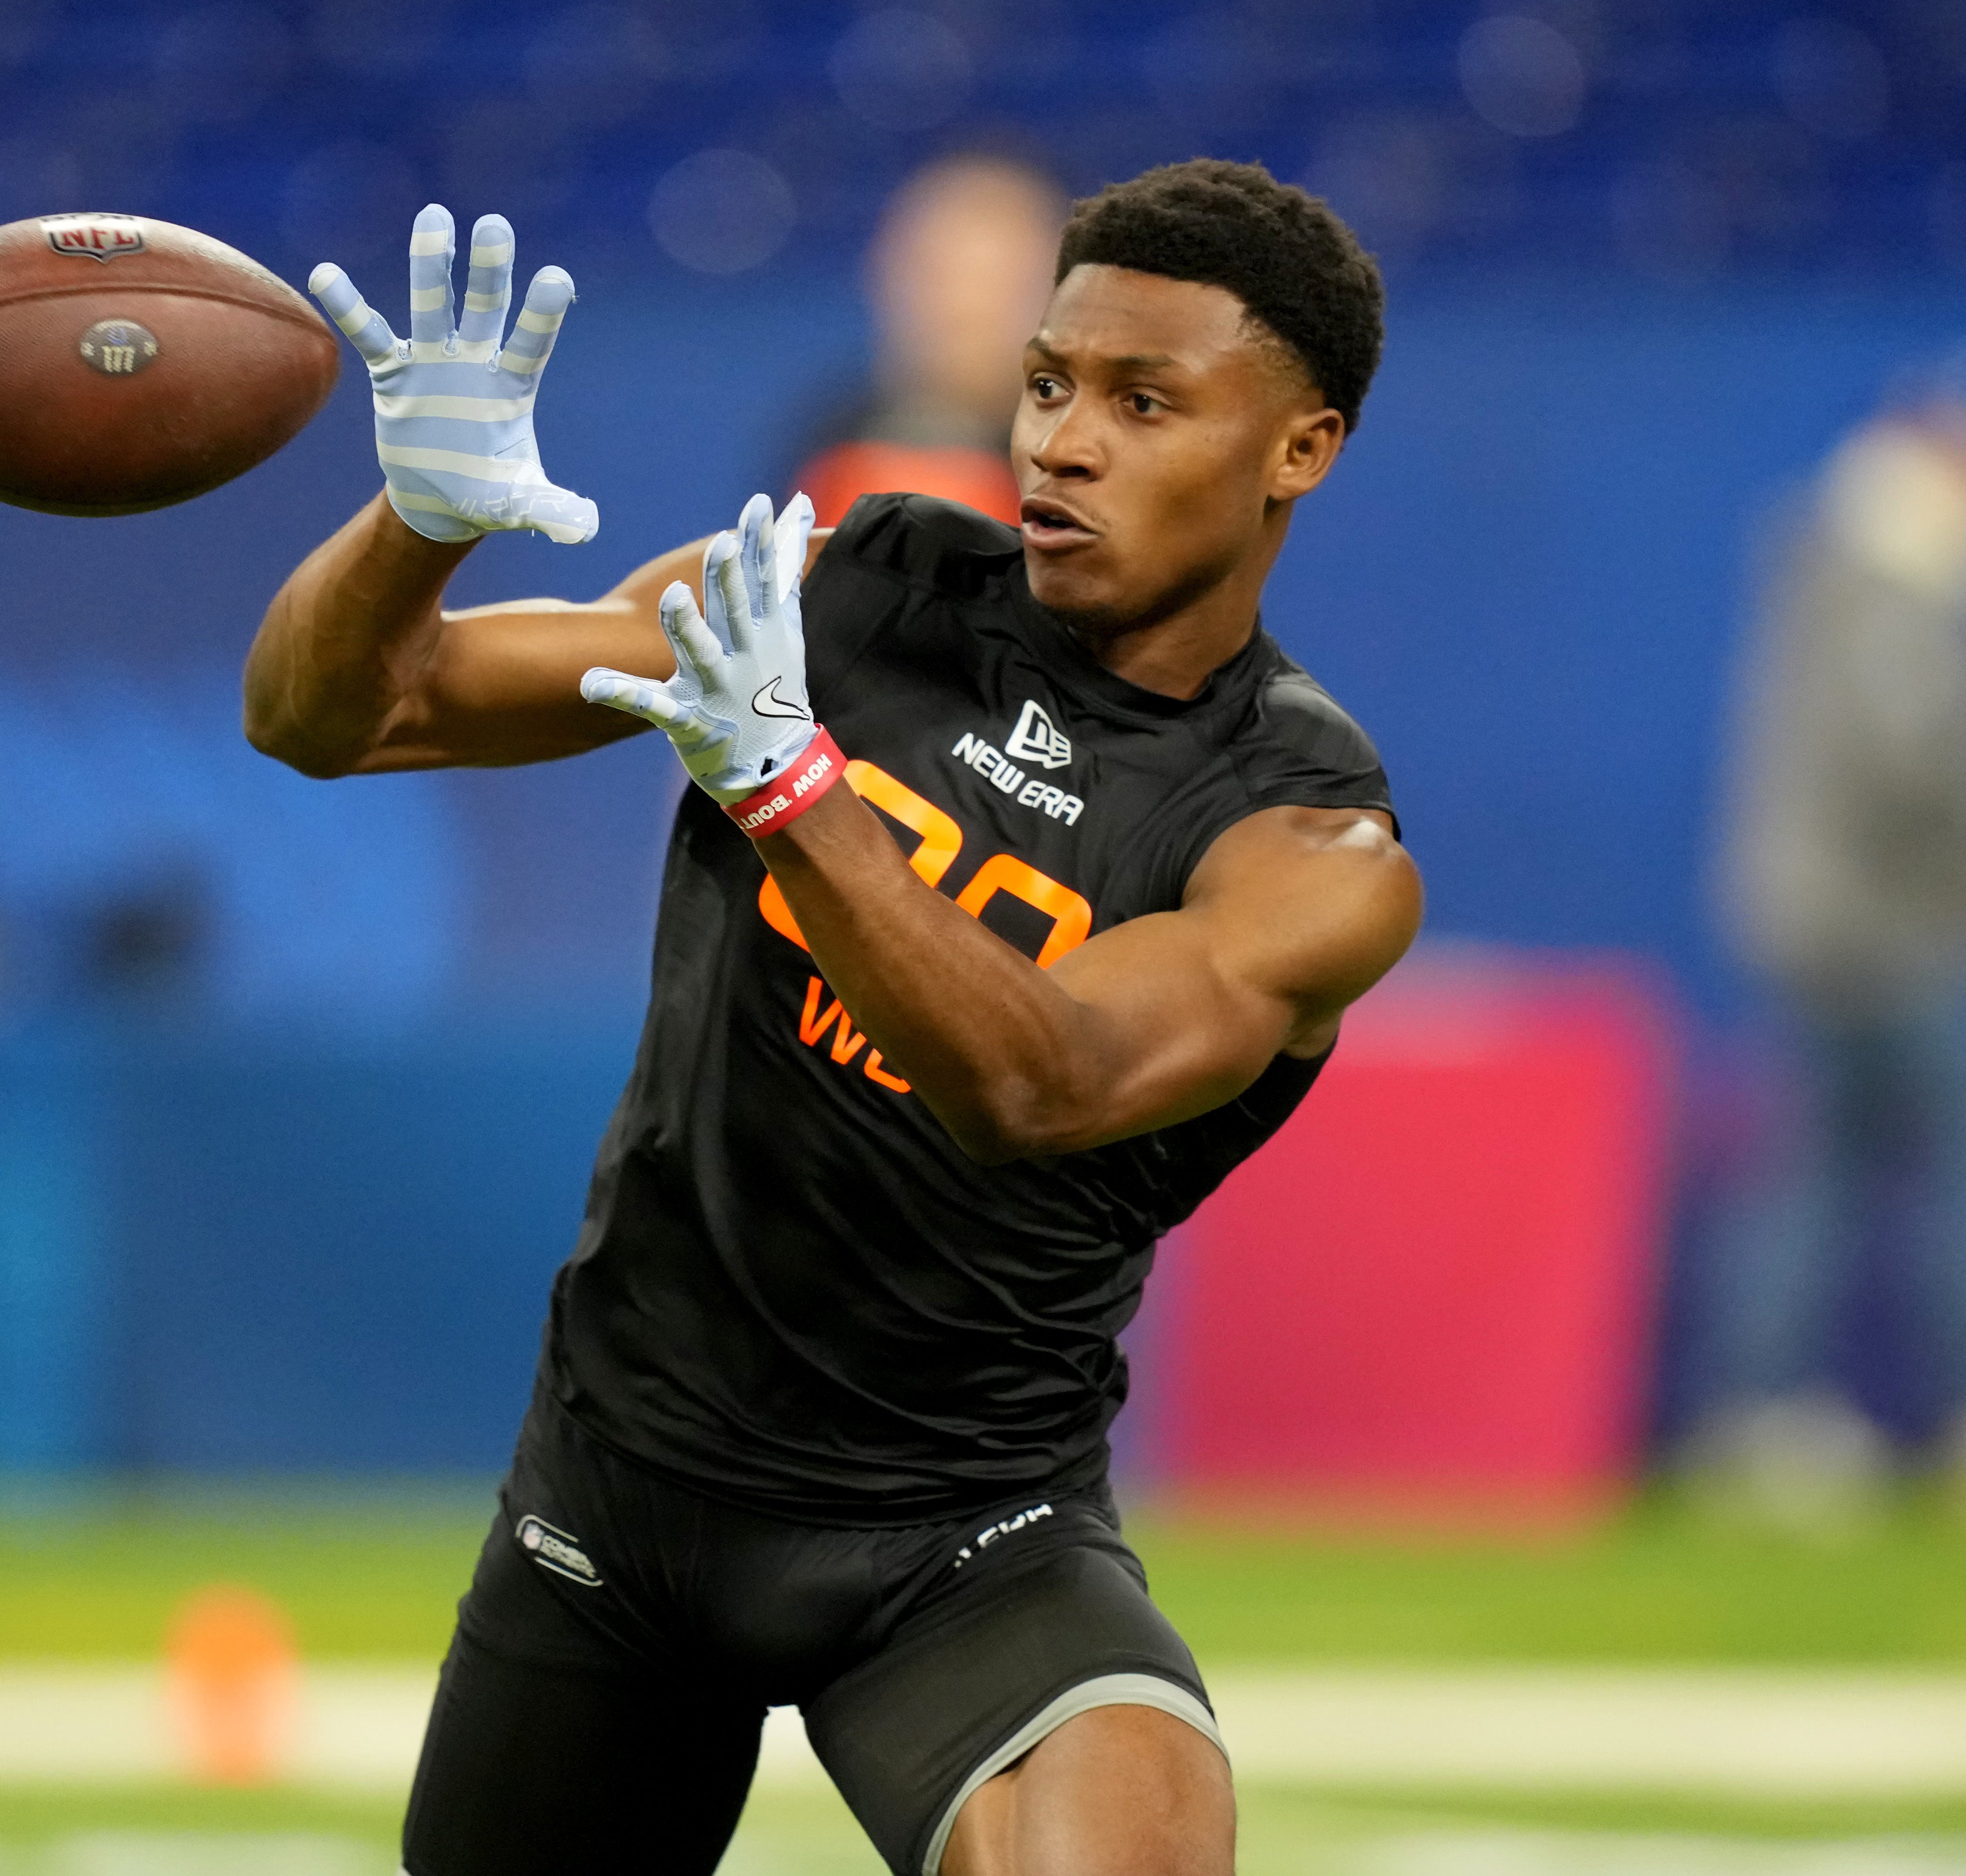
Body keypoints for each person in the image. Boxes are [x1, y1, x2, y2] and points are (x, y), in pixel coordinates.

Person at [248, 160, 1419, 1876]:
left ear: (1296, 449)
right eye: (1044, 385)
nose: (1059, 443)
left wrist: (797, 790)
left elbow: (1041, 1077)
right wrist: (412, 532)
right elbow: (334, 716)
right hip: (623, 1484)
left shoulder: (1306, 839)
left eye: (1139, 400)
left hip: (958, 1530)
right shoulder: (852, 590)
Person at [1703, 367, 1966, 1522]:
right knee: (1874, 1178)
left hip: (1824, 920)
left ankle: (1762, 1412)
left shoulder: (1839, 550)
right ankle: (1772, 1417)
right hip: (1885, 928)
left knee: (1814, 1176)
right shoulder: (1891, 563)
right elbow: (1911, 753)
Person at [791, 152, 1072, 527]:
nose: (964, 311)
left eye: (996, 284)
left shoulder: (1088, 458)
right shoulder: (836, 442)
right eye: (940, 277)